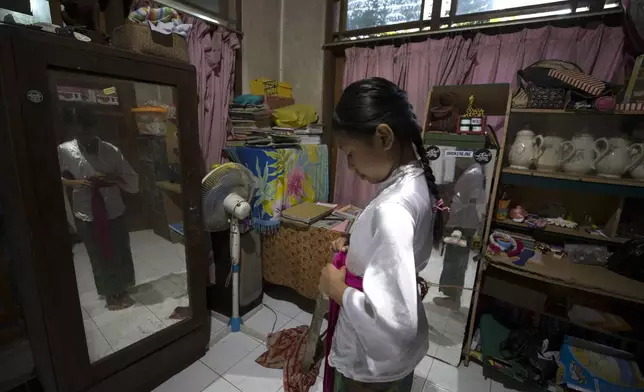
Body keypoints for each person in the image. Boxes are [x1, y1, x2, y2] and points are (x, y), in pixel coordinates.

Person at [318, 77, 445, 392]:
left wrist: (338, 291)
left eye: (350, 153)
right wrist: (355, 243)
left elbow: (391, 325)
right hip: (395, 362)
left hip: (369, 365)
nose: (349, 165)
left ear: (384, 137)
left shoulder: (394, 209)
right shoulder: (414, 183)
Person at [58, 111, 139, 311]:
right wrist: (77, 182)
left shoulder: (111, 151)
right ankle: (110, 293)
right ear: (73, 130)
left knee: (120, 249)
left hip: (113, 208)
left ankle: (123, 287)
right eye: (79, 130)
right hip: (87, 210)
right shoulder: (64, 150)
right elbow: (54, 176)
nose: (84, 134)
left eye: (88, 130)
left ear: (95, 129)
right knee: (98, 253)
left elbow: (132, 181)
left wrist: (111, 178)